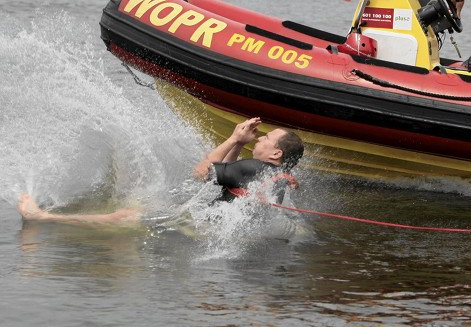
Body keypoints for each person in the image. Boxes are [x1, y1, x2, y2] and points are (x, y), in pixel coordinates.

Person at [17, 118, 304, 226]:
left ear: (276, 154)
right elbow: (227, 175)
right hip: (216, 224)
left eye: (267, 139)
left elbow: (201, 172)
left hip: (202, 227)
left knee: (124, 217)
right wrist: (239, 144)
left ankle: (42, 217)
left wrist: (232, 138)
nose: (260, 138)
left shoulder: (252, 167)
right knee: (145, 206)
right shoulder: (272, 176)